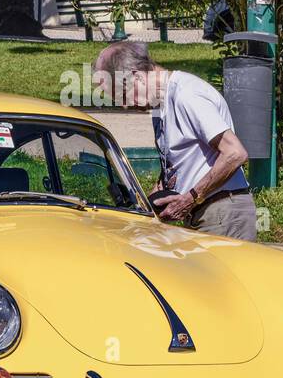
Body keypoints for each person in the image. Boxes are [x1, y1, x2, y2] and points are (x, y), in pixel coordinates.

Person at [94, 40, 257, 241]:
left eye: (123, 96)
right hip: (203, 210)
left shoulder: (187, 94)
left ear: (137, 76)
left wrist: (191, 198)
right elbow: (178, 162)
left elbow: (235, 153)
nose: (126, 106)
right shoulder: (159, 104)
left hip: (222, 211)